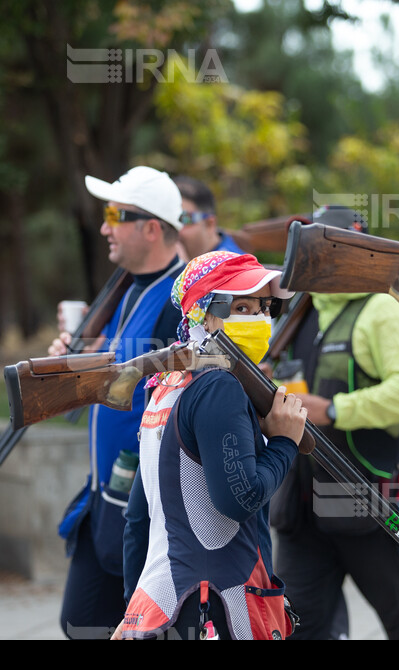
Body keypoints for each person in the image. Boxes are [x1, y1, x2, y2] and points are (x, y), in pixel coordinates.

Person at [117, 251, 305, 640]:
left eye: (263, 307)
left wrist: (133, 613)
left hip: (157, 608)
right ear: (205, 313)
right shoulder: (218, 386)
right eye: (241, 306)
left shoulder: (168, 385)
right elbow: (239, 498)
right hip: (215, 609)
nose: (260, 319)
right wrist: (285, 442)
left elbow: (137, 521)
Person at [269, 206, 399, 640]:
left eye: (316, 245)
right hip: (299, 509)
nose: (303, 256)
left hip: (367, 503)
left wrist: (334, 410)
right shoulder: (299, 312)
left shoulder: (383, 311)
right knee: (296, 629)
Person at [49, 165, 186, 639]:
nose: (104, 226)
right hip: (104, 496)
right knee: (82, 623)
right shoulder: (123, 289)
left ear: (151, 228)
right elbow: (111, 386)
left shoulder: (179, 298)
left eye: (115, 214)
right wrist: (72, 375)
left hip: (148, 508)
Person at [172, 175, 245, 259]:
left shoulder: (232, 264)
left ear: (210, 224)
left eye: (184, 219)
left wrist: (181, 269)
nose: (175, 229)